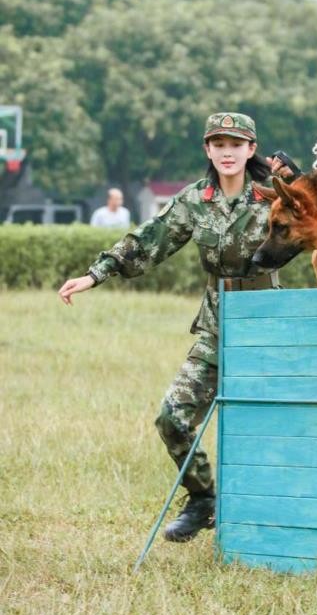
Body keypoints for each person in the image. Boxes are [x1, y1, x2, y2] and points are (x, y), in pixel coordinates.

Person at [58, 112, 293, 542]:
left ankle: (279, 520)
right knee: (172, 417)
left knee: (273, 426)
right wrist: (95, 274)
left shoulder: (273, 195)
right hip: (218, 327)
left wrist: (301, 185)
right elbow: (150, 238)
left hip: (268, 327)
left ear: (251, 150)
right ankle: (203, 500)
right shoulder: (194, 200)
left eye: (235, 144)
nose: (227, 152)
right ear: (207, 150)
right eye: (218, 144)